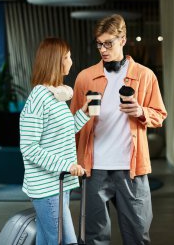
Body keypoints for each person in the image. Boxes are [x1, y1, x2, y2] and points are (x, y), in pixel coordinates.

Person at [70, 14, 167, 245]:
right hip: (94, 169)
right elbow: (71, 124)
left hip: (131, 169)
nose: (103, 49)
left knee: (137, 235)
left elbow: (160, 115)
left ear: (123, 40)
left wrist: (140, 111)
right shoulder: (85, 77)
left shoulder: (144, 75)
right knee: (94, 238)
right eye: (99, 44)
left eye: (108, 43)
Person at [20, 37, 91, 245]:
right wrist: (67, 165)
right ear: (56, 61)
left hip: (59, 183)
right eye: (67, 57)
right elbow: (29, 147)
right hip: (47, 187)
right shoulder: (39, 98)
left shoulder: (55, 97)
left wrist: (84, 113)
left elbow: (64, 132)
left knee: (49, 241)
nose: (71, 61)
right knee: (65, 241)